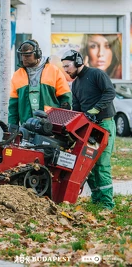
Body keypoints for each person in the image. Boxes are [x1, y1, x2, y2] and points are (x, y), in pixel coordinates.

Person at [61, 49, 116, 210]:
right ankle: (97, 199)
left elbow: (110, 92)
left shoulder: (96, 74)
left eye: (67, 66)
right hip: (89, 128)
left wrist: (96, 109)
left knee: (102, 165)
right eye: (63, 67)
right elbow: (77, 108)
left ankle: (107, 204)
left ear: (78, 62)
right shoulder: (76, 83)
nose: (65, 70)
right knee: (87, 164)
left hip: (104, 124)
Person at [9, 39, 72, 126]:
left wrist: (62, 123)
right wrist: (12, 125)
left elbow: (66, 99)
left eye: (28, 55)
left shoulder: (54, 71)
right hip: (27, 125)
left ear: (37, 54)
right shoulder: (17, 75)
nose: (24, 58)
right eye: (22, 55)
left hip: (50, 125)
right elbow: (13, 105)